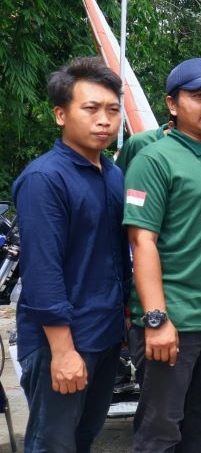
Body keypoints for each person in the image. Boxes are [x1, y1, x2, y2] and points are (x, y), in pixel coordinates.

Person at [124, 57, 201, 452]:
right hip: (172, 323)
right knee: (159, 432)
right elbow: (142, 241)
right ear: (173, 104)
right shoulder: (153, 158)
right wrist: (156, 318)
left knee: (197, 422)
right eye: (198, 96)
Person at [12, 57, 130, 452]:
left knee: (84, 438)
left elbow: (116, 255)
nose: (104, 120)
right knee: (53, 444)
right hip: (60, 342)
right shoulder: (45, 179)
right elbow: (42, 271)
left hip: (104, 334)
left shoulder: (112, 174)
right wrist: (62, 351)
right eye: (91, 109)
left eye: (112, 110)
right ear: (61, 115)